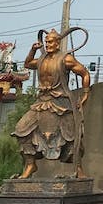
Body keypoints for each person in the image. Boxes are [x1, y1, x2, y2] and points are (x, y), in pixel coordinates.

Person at [13, 28, 90, 179]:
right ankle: (30, 164)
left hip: (61, 101)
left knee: (73, 135)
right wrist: (32, 50)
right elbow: (27, 64)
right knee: (22, 129)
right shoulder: (41, 59)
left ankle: (79, 169)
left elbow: (84, 73)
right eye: (46, 42)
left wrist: (86, 94)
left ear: (58, 43)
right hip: (41, 101)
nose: (48, 44)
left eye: (50, 42)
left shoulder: (66, 59)